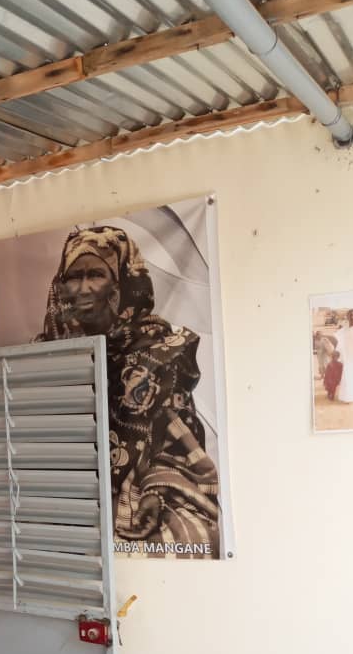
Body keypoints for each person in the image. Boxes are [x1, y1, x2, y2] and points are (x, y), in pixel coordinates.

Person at [37, 225, 220, 556]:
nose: (83, 288)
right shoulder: (45, 355)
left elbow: (179, 443)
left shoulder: (158, 351)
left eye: (96, 275)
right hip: (65, 497)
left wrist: (155, 492)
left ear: (120, 282)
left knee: (192, 540)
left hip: (143, 491)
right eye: (74, 277)